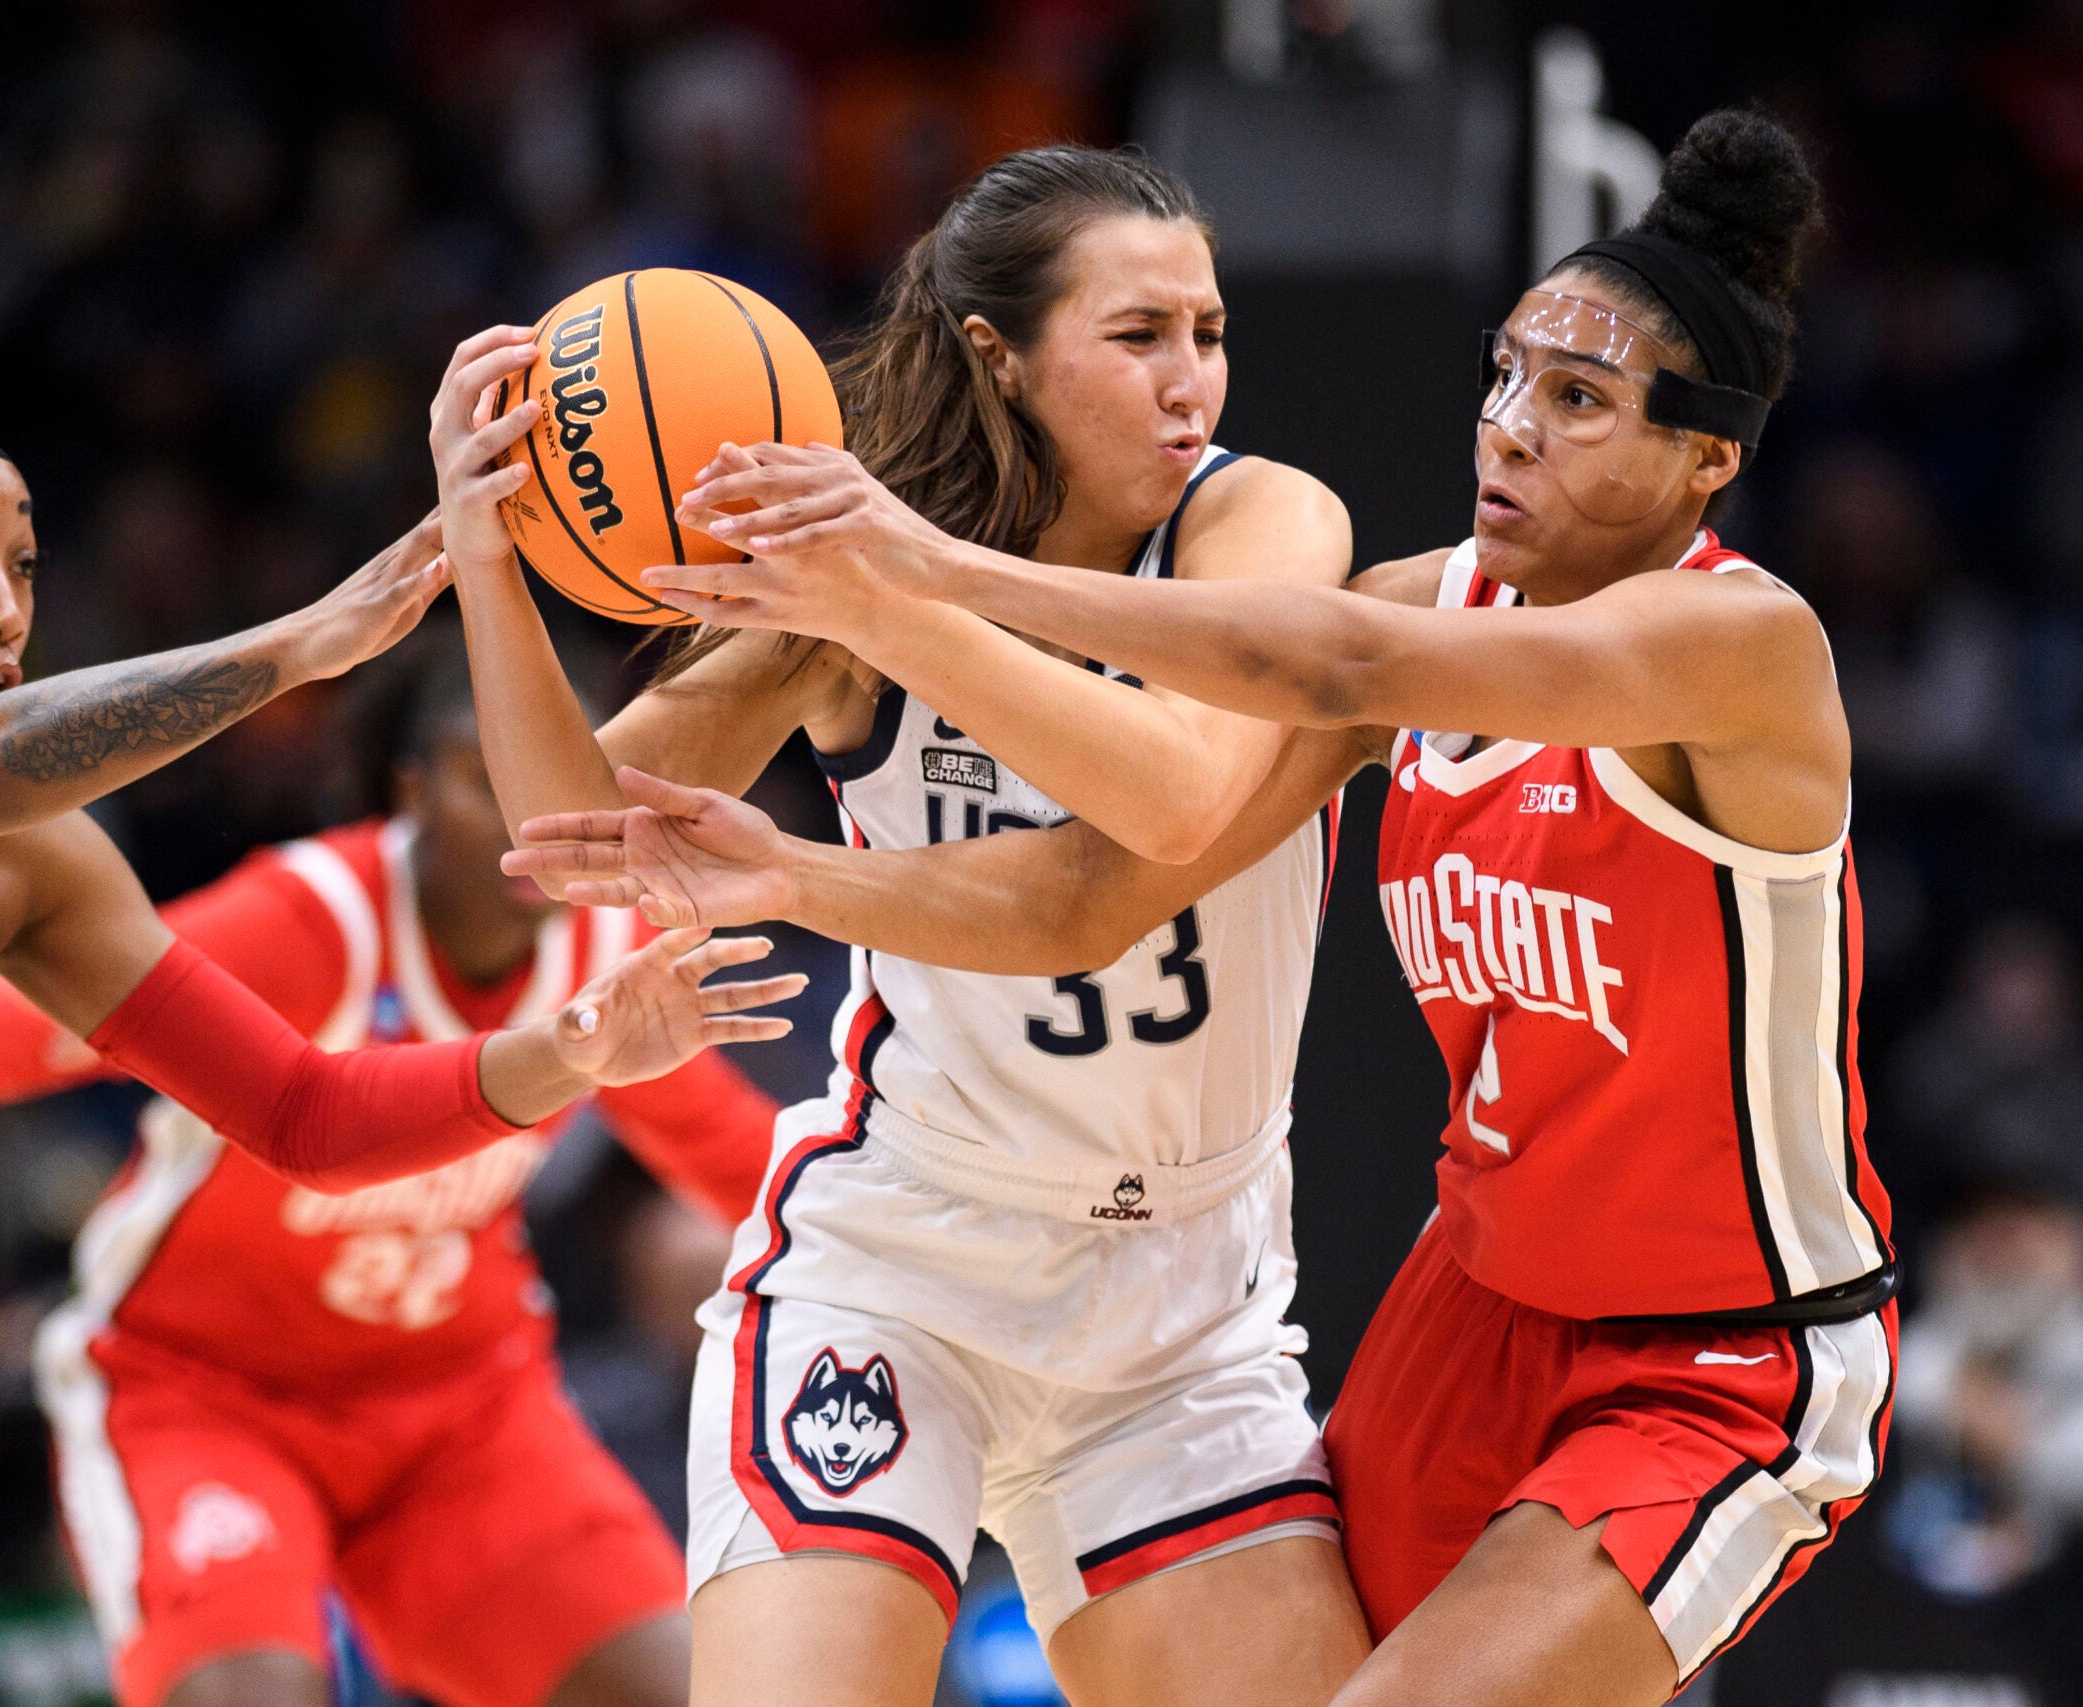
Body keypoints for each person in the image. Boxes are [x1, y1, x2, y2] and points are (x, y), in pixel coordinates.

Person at [568, 109, 1892, 1706]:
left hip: (1714, 1343)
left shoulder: (1737, 646)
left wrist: (924, 575)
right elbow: (1097, 890)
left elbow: (1319, 658)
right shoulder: (1426, 605)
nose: (1512, 429)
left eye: (1581, 400)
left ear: (1708, 458)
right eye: (1509, 376)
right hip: (1464, 1303)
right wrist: (790, 868)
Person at [0, 374, 800, 1705]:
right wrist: (303, 645)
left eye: (22, 561)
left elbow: (308, 1112)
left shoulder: (25, 870)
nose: (4, 602)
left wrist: (573, 1053)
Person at [432, 145, 1370, 1707]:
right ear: (1000, 352)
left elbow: (1183, 794)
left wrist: (891, 597)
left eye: (1206, 332)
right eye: (1137, 337)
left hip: (1187, 1312)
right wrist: (485, 558)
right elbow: (580, 839)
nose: (1188, 380)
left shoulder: (1260, 521)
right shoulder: (835, 588)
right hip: (906, 1253)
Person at [0, 645, 784, 1707]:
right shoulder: (307, 918)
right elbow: (39, 1033)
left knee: (689, 1689)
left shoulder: (613, 953)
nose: (538, 833)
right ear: (412, 784)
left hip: (460, 1411)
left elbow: (735, 1157)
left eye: (570, 792)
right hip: (202, 1393)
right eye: (491, 784)